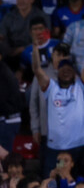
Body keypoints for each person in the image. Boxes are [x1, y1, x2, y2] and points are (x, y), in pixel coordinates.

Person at [32, 38, 84, 174]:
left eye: (69, 68)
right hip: (56, 148)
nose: (66, 71)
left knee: (78, 182)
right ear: (57, 71)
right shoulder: (52, 88)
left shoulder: (80, 86)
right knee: (52, 182)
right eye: (62, 69)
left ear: (74, 72)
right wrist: (35, 49)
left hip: (79, 147)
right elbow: (37, 69)